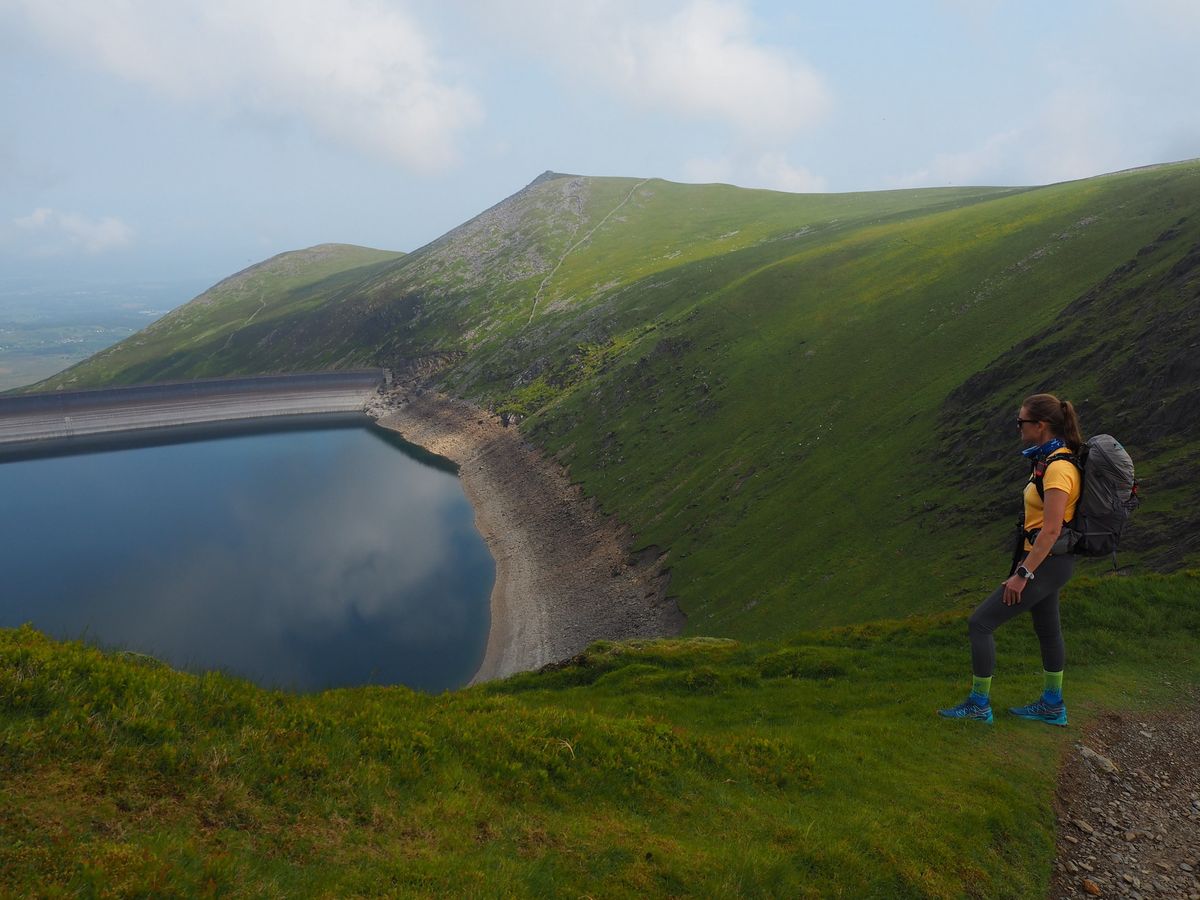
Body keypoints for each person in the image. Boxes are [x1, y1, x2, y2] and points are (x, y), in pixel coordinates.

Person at [938, 393, 1084, 725]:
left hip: (1045, 561)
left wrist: (1023, 574)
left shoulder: (1059, 468)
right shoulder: (1049, 461)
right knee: (1048, 629)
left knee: (980, 623)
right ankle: (1052, 704)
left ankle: (978, 705)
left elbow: (1050, 530)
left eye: (1022, 422)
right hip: (1053, 562)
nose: (1018, 428)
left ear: (1040, 426)